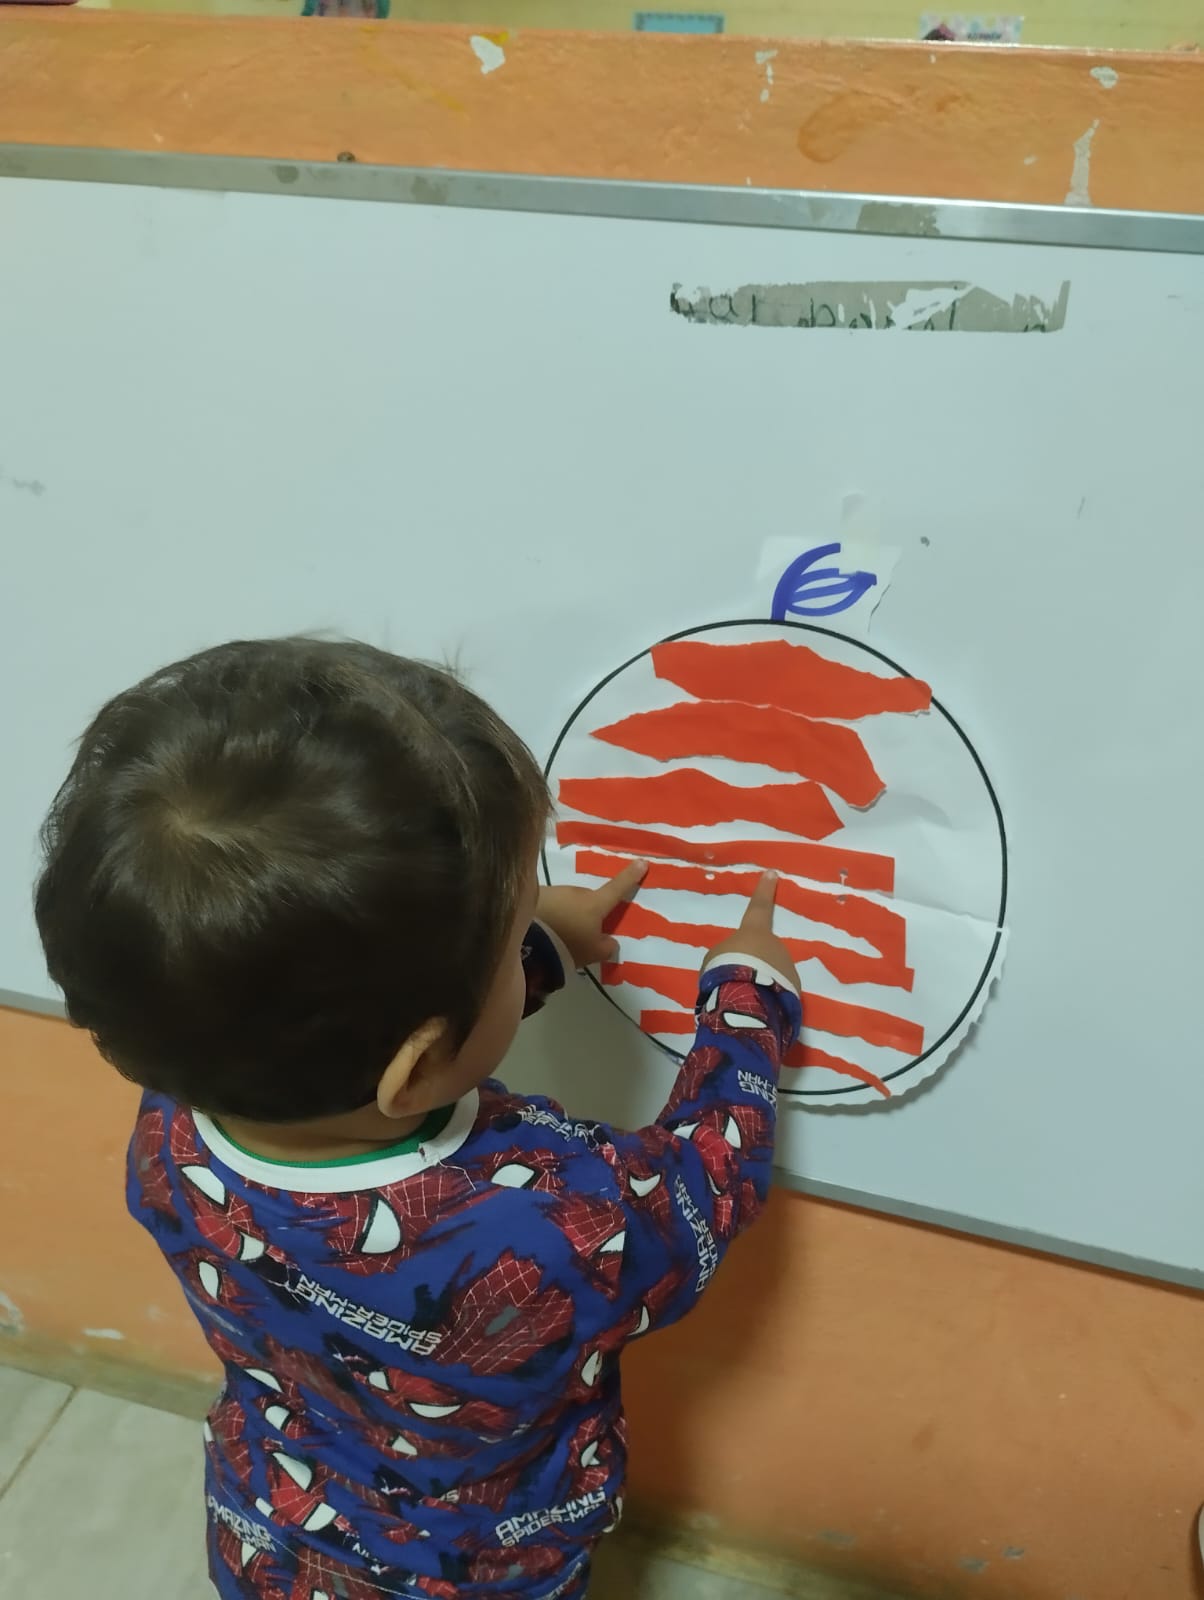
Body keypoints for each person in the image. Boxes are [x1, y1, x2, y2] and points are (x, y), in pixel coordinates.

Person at [34, 637, 802, 1600]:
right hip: (480, 1576)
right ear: (418, 1062)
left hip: (271, 1540)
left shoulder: (173, 1124)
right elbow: (705, 1185)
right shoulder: (557, 1224)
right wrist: (749, 1000)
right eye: (512, 933)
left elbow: (340, 1026)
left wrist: (537, 951)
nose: (526, 928)